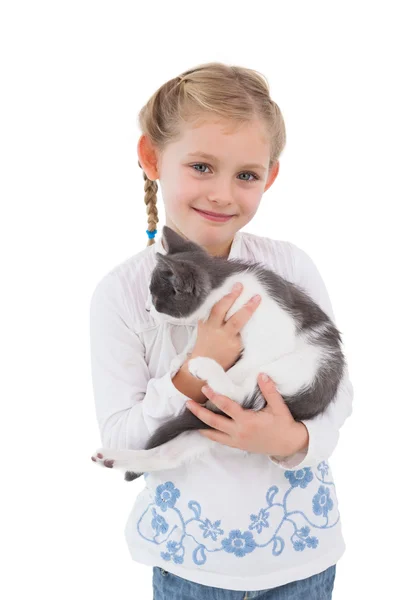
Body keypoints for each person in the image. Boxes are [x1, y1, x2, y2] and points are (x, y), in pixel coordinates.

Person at [89, 62, 353, 599]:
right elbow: (119, 440)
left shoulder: (288, 267)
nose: (223, 194)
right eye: (202, 166)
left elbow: (338, 395)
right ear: (152, 159)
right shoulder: (121, 294)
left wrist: (294, 440)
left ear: (270, 176)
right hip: (191, 566)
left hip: (301, 555)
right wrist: (190, 370)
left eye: (246, 175)